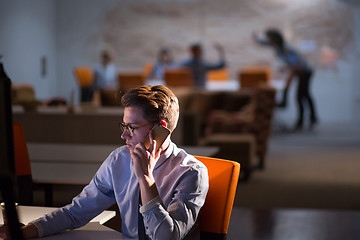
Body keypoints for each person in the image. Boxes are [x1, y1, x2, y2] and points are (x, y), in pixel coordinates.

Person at [0, 85, 209, 239]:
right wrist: (27, 231)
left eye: (132, 127)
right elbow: (77, 212)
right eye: (123, 126)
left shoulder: (191, 173)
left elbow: (166, 237)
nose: (124, 136)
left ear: (161, 128)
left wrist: (146, 180)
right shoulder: (119, 160)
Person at [253, 28, 318, 130]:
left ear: (275, 39)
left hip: (305, 71)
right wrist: (257, 39)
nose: (268, 41)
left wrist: (284, 68)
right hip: (299, 71)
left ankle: (303, 121)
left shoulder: (286, 49)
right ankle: (311, 118)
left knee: (301, 96)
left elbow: (296, 64)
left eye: (269, 38)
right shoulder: (277, 47)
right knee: (304, 95)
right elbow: (265, 43)